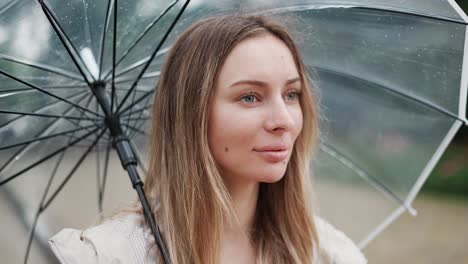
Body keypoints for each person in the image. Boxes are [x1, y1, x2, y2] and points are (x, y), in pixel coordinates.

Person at [49, 15, 367, 264]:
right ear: (192, 113)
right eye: (250, 97)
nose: (283, 120)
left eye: (291, 94)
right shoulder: (109, 256)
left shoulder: (326, 255)